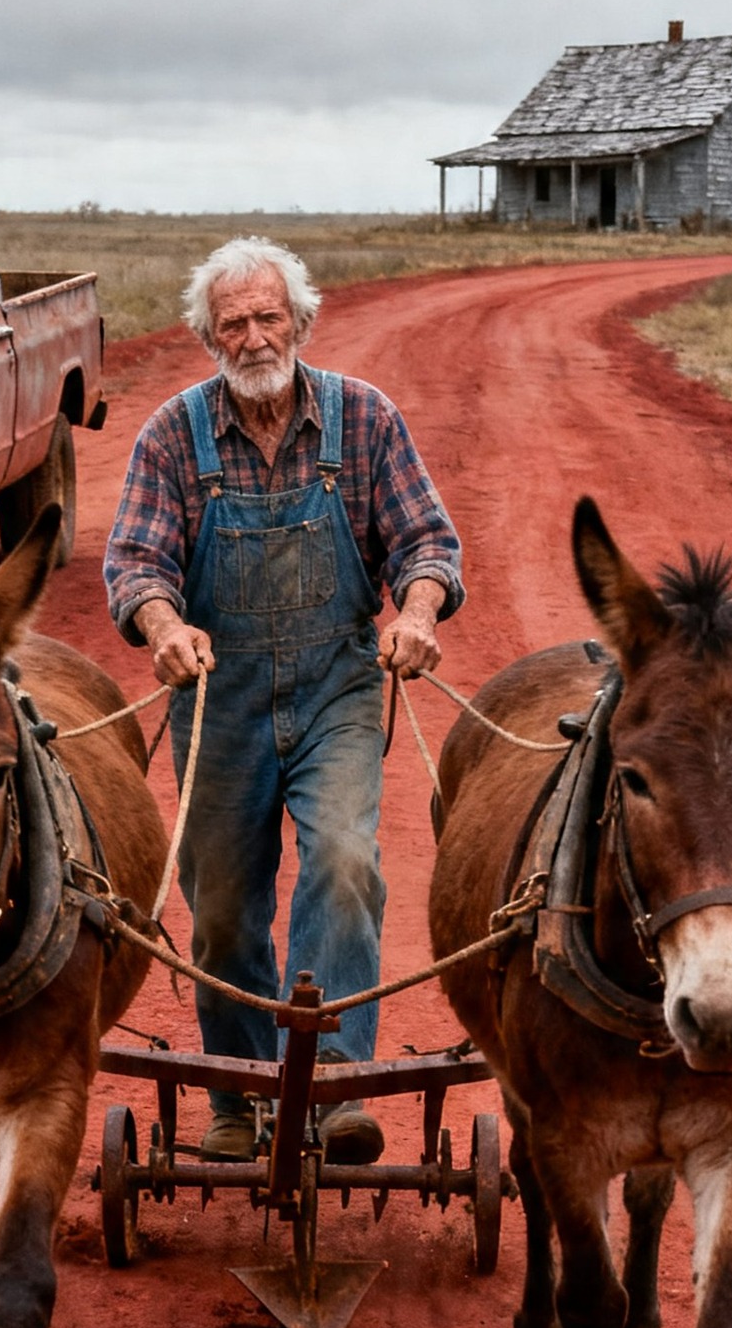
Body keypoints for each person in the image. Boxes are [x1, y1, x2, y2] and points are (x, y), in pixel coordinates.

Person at [104, 237, 464, 1163]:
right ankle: (239, 1094)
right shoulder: (171, 435)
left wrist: (418, 613)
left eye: (270, 318)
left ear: (301, 322)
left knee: (344, 862)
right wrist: (164, 627)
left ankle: (334, 1086)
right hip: (216, 697)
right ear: (207, 336)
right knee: (221, 907)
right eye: (234, 323)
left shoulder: (366, 420)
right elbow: (137, 563)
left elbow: (426, 541)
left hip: (336, 686)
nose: (255, 338)